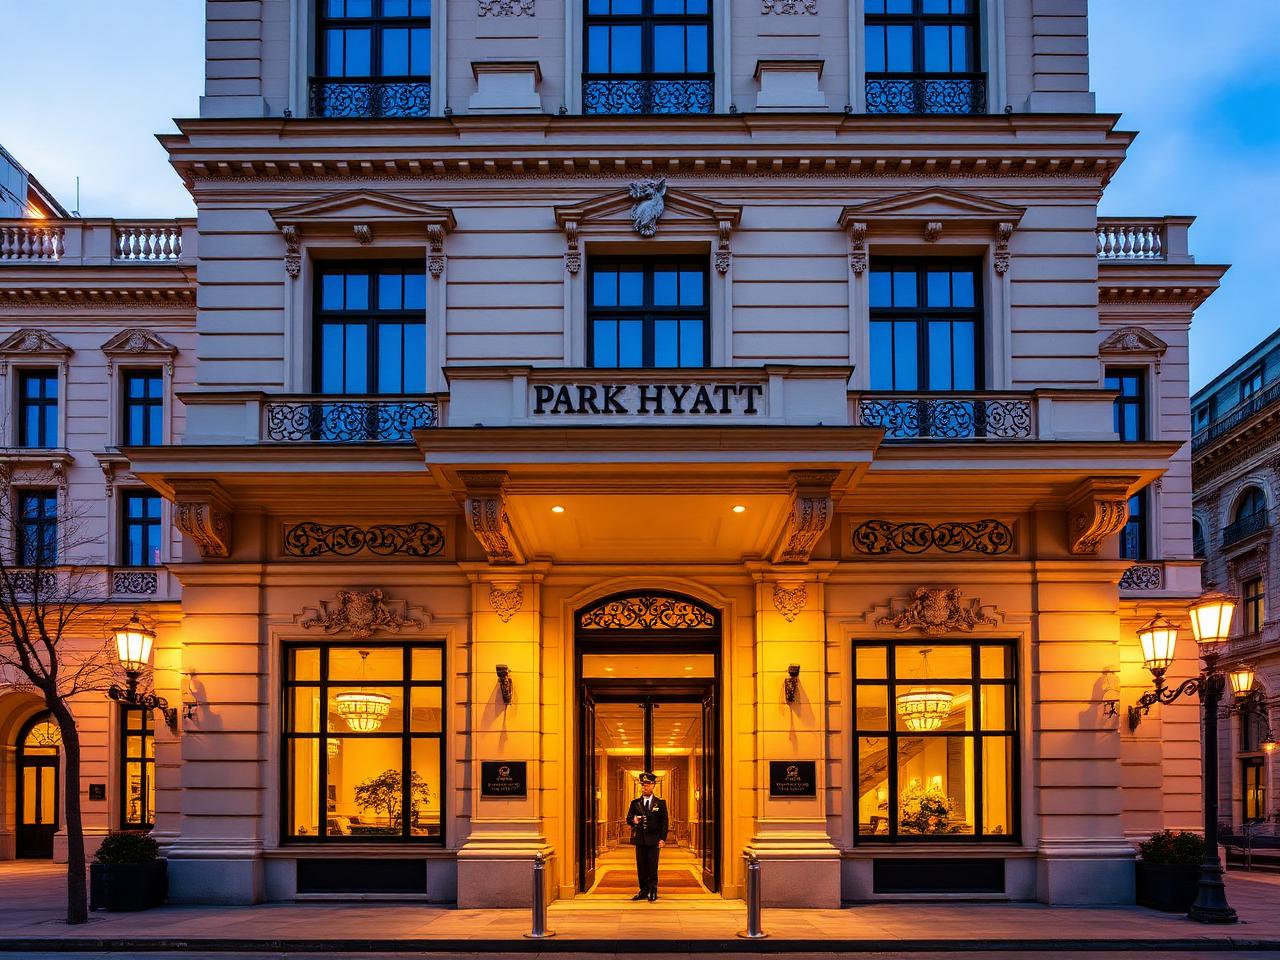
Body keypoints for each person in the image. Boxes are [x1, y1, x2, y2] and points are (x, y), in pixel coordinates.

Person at [625, 772, 668, 901]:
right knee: (641, 866)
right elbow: (628, 819)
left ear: (653, 785)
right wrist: (634, 820)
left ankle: (653, 890)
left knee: (652, 866)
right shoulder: (635, 803)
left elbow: (664, 823)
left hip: (654, 840)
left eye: (647, 785)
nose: (645, 787)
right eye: (643, 785)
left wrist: (662, 839)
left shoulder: (660, 803)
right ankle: (643, 890)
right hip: (640, 840)